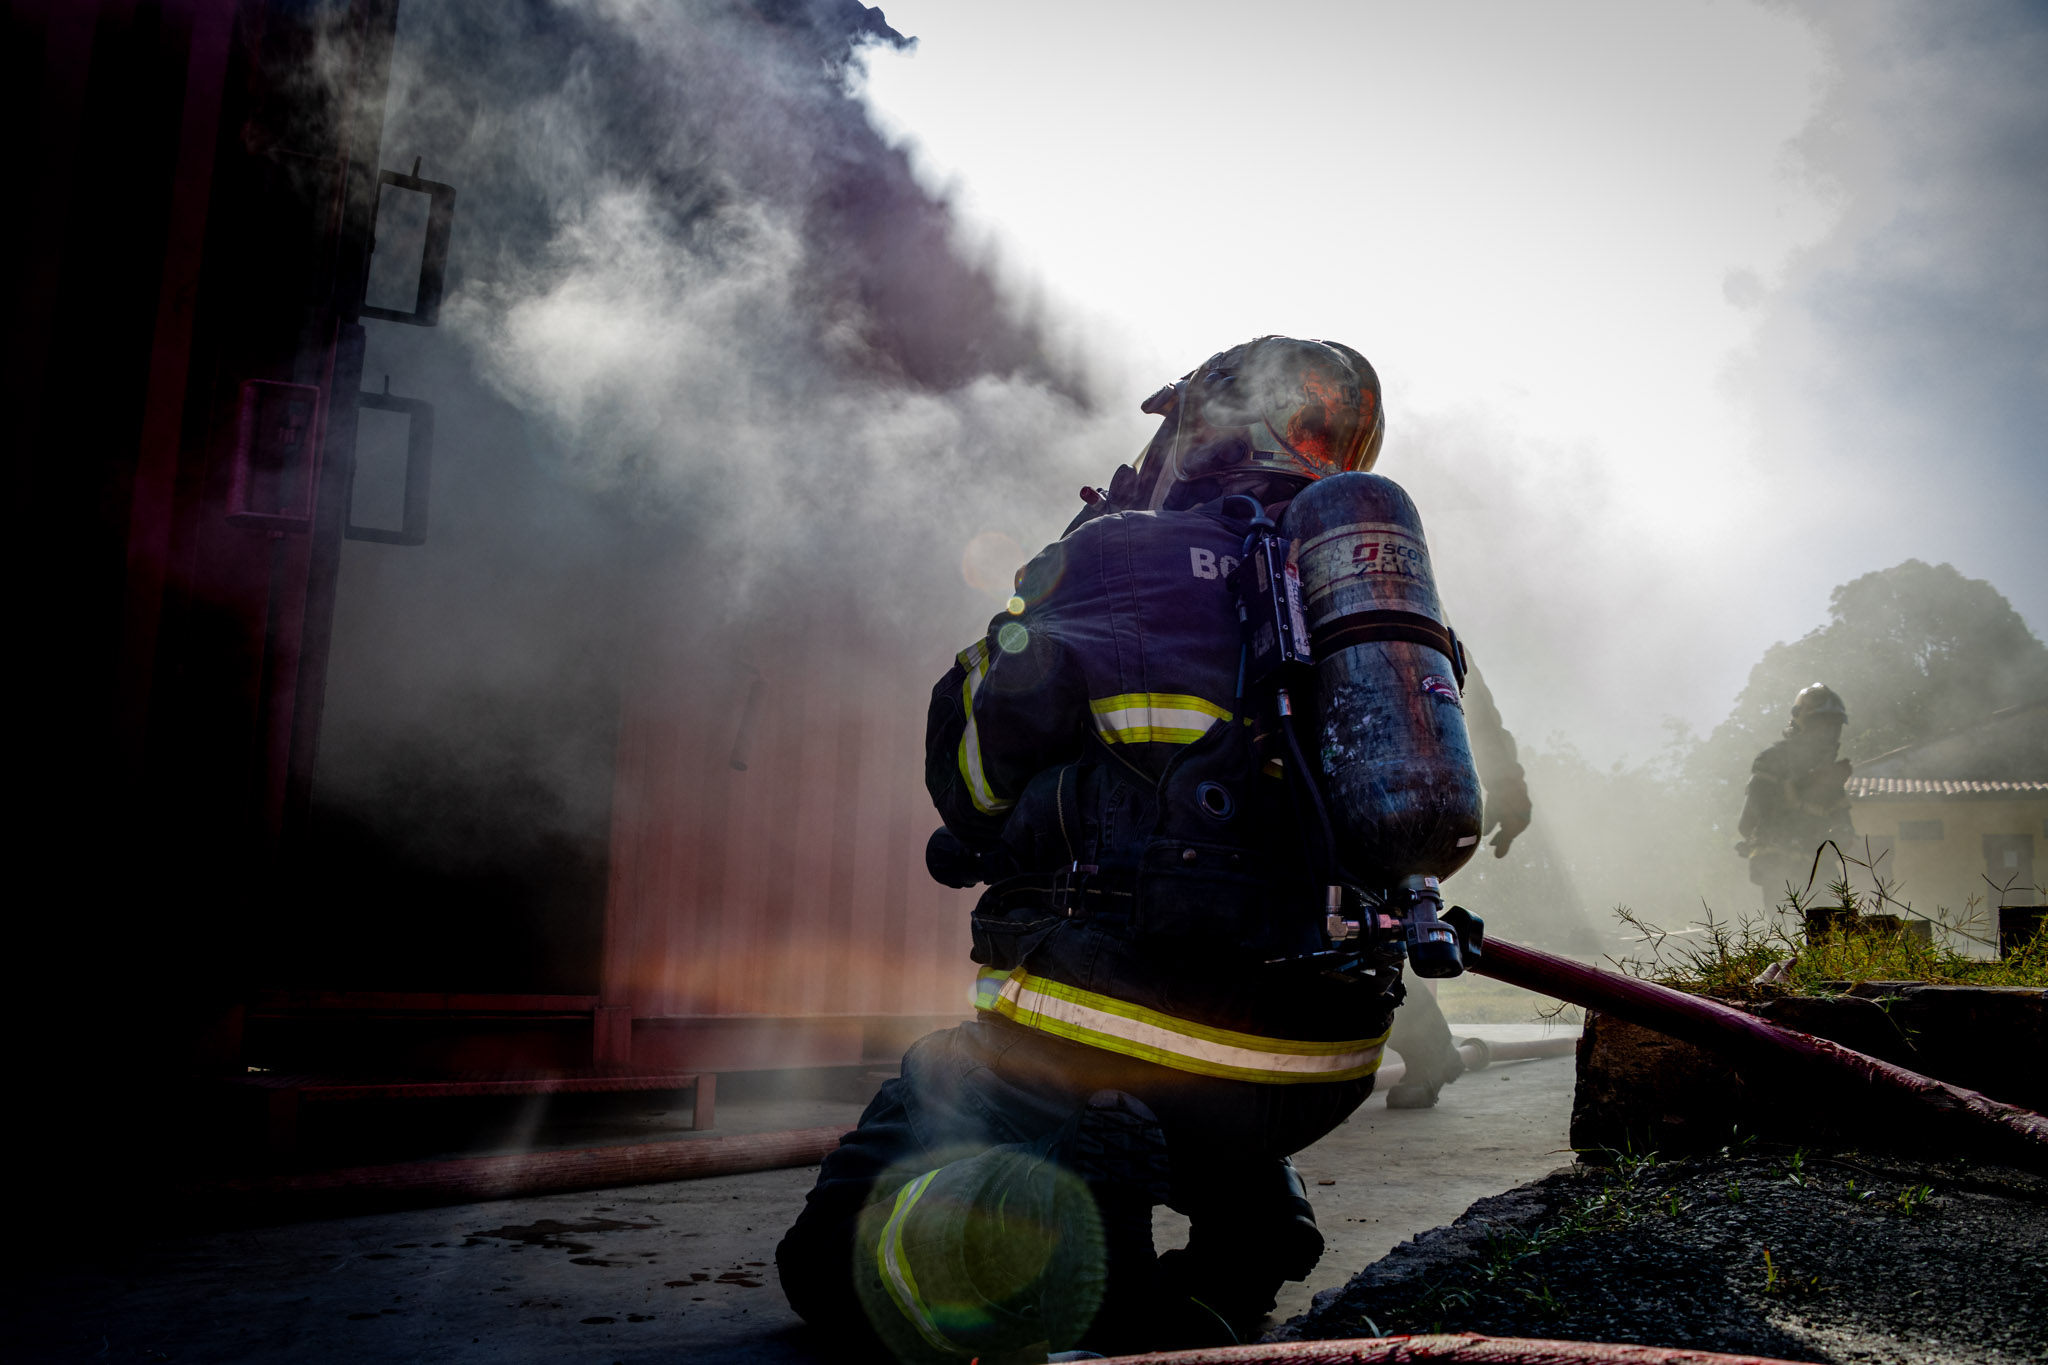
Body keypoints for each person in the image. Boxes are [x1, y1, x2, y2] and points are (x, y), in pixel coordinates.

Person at [777, 336, 1521, 1360]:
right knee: (1218, 1083)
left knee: (827, 1264)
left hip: (1110, 1030)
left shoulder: (1110, 557)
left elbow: (975, 784)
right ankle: (1241, 1252)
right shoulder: (1378, 614)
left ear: (1203, 427)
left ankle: (1079, 1223)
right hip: (1319, 1066)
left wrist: (1017, 618)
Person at [1735, 683, 1856, 924]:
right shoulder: (1773, 761)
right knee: (1789, 935)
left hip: (1820, 867)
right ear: (1801, 723)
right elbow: (1749, 822)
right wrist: (1794, 814)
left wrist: (1842, 833)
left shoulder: (1830, 774)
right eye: (1821, 725)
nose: (1827, 733)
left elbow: (1844, 827)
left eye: (1833, 726)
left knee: (1837, 937)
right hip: (1780, 866)